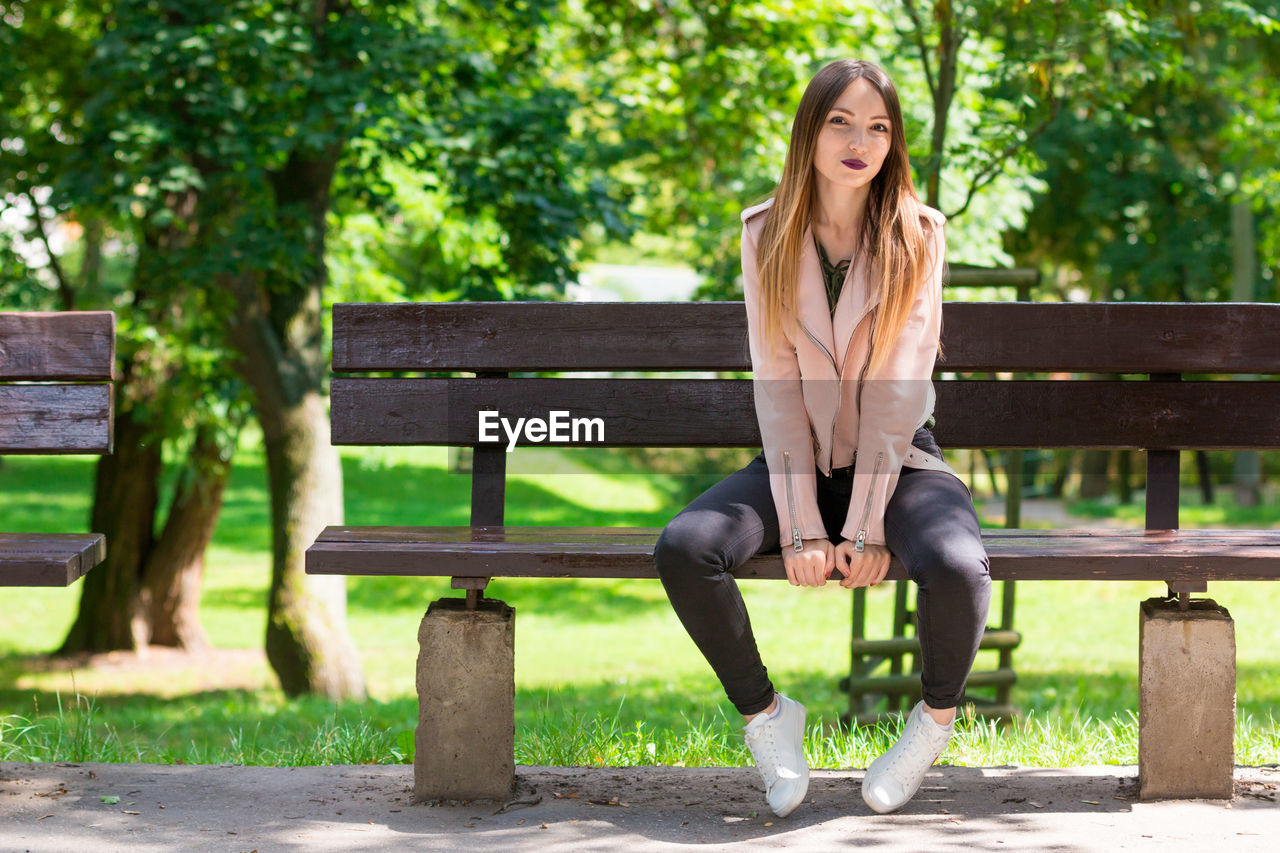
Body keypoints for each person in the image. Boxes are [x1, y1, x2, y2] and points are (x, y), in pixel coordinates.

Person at [653, 59, 992, 819]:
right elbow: (774, 382)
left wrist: (866, 526)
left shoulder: (919, 234)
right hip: (795, 455)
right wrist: (804, 522)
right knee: (685, 544)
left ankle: (930, 726)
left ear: (893, 142)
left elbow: (898, 391)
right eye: (840, 120)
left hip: (900, 459)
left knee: (960, 566)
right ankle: (768, 716)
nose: (859, 140)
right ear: (810, 131)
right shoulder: (764, 232)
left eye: (878, 126)